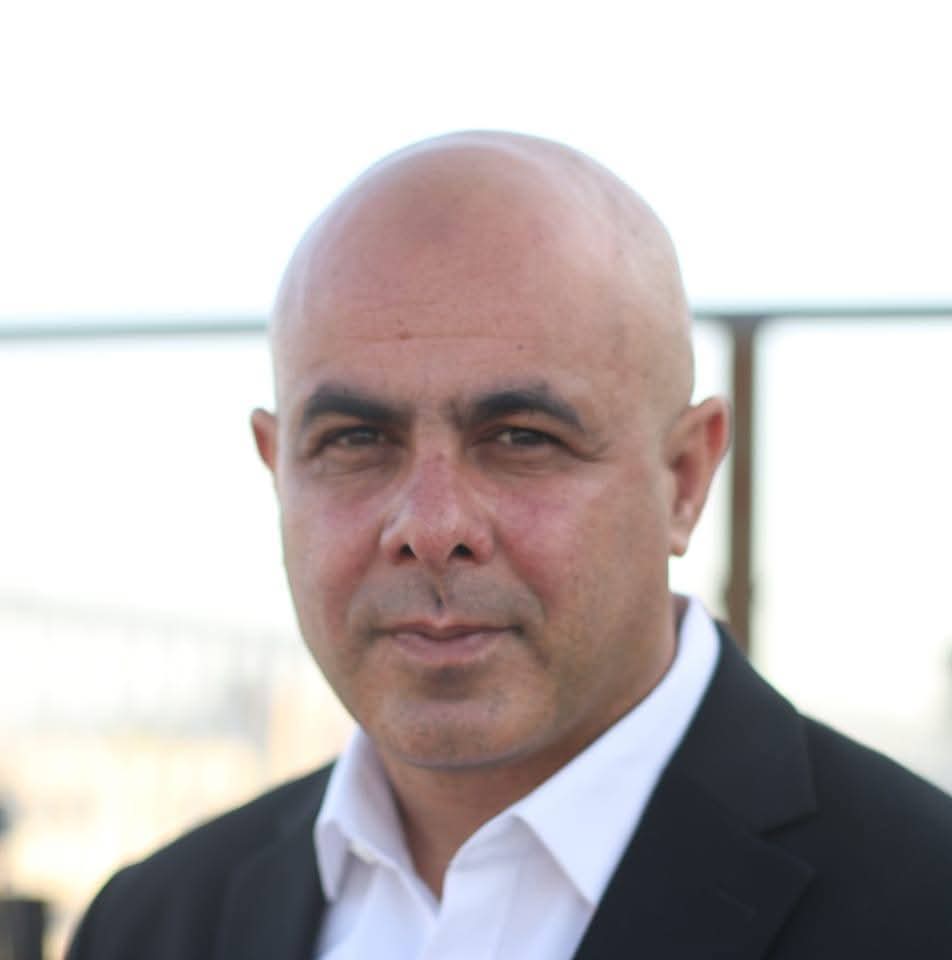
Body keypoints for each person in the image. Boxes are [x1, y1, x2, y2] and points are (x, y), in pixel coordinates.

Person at [67, 132, 952, 959]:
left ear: (683, 478)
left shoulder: (923, 908)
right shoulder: (151, 925)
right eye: (356, 440)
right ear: (278, 471)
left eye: (523, 438)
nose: (430, 527)